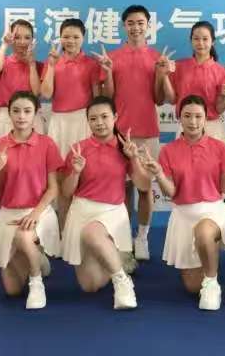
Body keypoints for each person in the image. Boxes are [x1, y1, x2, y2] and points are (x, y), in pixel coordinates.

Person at [142, 95, 225, 311]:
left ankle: (212, 282)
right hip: (183, 215)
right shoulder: (168, 150)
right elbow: (171, 193)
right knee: (193, 287)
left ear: (205, 119)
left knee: (204, 233)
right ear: (179, 118)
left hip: (212, 211)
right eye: (187, 116)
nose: (193, 122)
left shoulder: (219, 147)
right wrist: (159, 174)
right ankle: (208, 260)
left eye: (198, 116)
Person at [58, 96, 150, 309]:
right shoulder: (78, 149)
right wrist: (76, 172)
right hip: (82, 210)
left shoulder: (125, 148)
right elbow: (65, 192)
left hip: (112, 212)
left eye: (104, 117)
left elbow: (144, 185)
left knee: (91, 233)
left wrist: (134, 159)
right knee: (90, 286)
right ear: (87, 121)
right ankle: (113, 255)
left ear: (115, 117)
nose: (99, 123)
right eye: (93, 118)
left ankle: (122, 280)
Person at [0, 91, 62, 310]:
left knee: (23, 236)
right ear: (9, 113)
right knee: (12, 290)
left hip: (39, 211)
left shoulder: (47, 144)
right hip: (8, 213)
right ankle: (40, 260)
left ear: (36, 113)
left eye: (27, 111)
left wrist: (34, 214)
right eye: (16, 111)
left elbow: (54, 188)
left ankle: (37, 283)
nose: (21, 116)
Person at [100, 5, 161, 261]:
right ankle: (123, 238)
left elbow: (159, 98)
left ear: (148, 25)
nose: (136, 27)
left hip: (147, 132)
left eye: (140, 22)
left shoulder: (157, 57)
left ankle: (142, 237)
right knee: (123, 189)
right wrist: (107, 72)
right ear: (124, 26)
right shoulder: (113, 57)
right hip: (120, 134)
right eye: (131, 23)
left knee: (145, 189)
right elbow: (107, 97)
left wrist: (162, 73)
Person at [41, 18, 107, 156]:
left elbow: (97, 99)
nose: (71, 41)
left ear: (83, 38)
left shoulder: (92, 64)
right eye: (66, 37)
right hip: (58, 120)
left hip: (83, 119)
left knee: (84, 160)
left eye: (76, 37)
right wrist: (51, 66)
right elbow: (46, 94)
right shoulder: (51, 61)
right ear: (60, 38)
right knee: (58, 160)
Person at [160, 21, 225, 143]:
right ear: (191, 41)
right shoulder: (179, 66)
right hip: (185, 126)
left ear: (213, 42)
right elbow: (172, 100)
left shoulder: (221, 71)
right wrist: (165, 76)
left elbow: (218, 109)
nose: (200, 43)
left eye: (205, 39)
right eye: (196, 39)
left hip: (211, 128)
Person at [0, 20, 44, 140]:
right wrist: (4, 44)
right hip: (6, 119)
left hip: (32, 117)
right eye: (17, 37)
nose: (22, 42)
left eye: (27, 38)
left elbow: (36, 92)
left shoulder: (38, 66)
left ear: (32, 40)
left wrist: (31, 64)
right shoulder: (3, 62)